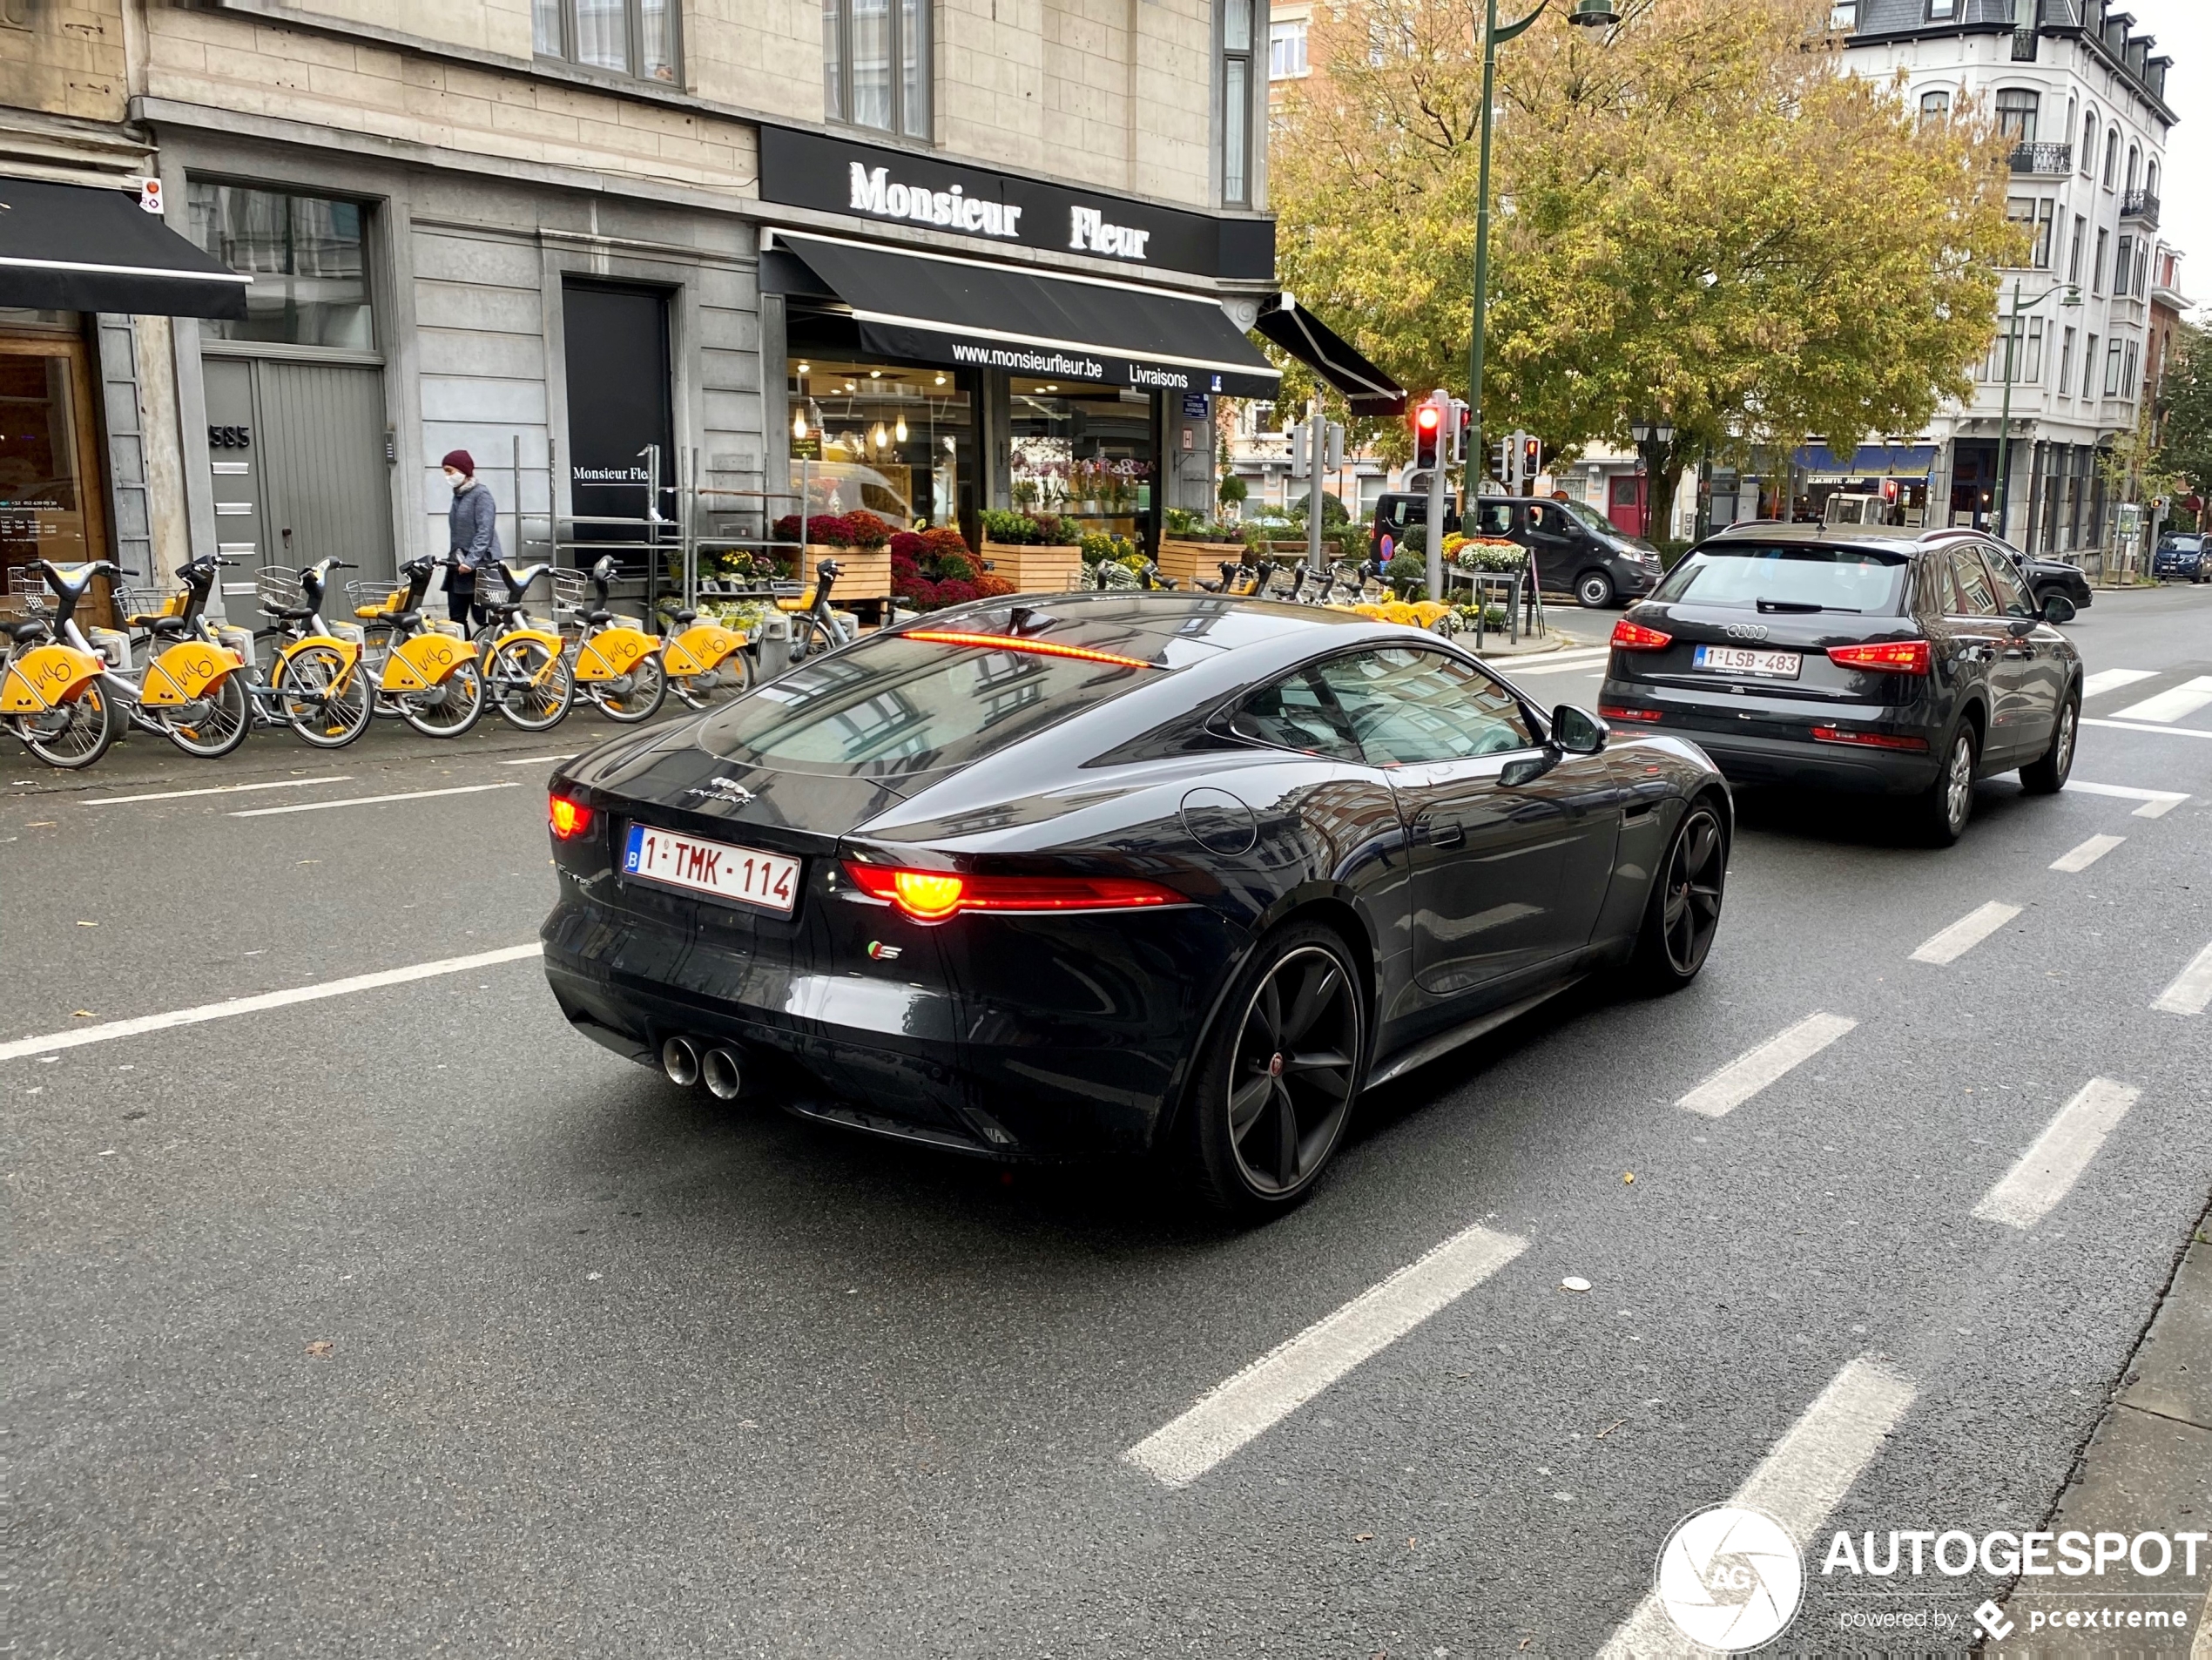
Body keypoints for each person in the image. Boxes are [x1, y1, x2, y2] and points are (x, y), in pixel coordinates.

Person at [441, 449, 500, 630]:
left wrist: (471, 561)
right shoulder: (458, 495)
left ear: (462, 470)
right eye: (445, 471)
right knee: (456, 618)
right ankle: (466, 657)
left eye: (450, 471)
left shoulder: (481, 495)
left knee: (485, 619)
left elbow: (485, 531)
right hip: (459, 567)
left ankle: (504, 653)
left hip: (480, 566)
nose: (447, 476)